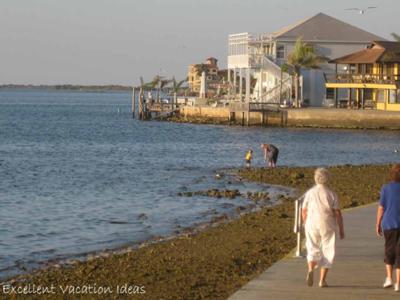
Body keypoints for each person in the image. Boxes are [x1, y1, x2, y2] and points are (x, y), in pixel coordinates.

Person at [302, 168, 345, 287]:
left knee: (312, 247)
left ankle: (310, 269)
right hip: (327, 223)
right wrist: (341, 229)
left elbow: (304, 210)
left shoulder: (310, 192)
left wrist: (305, 222)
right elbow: (337, 213)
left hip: (311, 222)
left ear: (316, 178)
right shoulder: (331, 194)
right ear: (327, 179)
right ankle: (322, 280)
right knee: (328, 249)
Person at [376, 164, 400, 292]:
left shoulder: (386, 188)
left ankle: (389, 278)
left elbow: (381, 208)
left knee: (389, 250)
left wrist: (377, 223)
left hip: (389, 223)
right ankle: (398, 283)